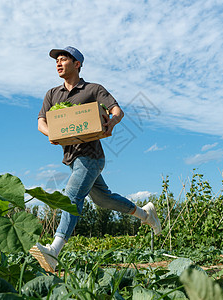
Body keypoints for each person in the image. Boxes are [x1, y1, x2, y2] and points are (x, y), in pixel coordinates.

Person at [30, 46, 161, 272]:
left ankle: (54, 250)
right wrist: (49, 132)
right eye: (56, 61)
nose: (58, 64)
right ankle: (145, 213)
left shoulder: (92, 89)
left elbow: (116, 110)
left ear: (77, 64)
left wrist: (112, 122)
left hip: (90, 156)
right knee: (103, 200)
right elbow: (41, 120)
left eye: (63, 60)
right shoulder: (53, 94)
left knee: (72, 196)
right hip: (71, 158)